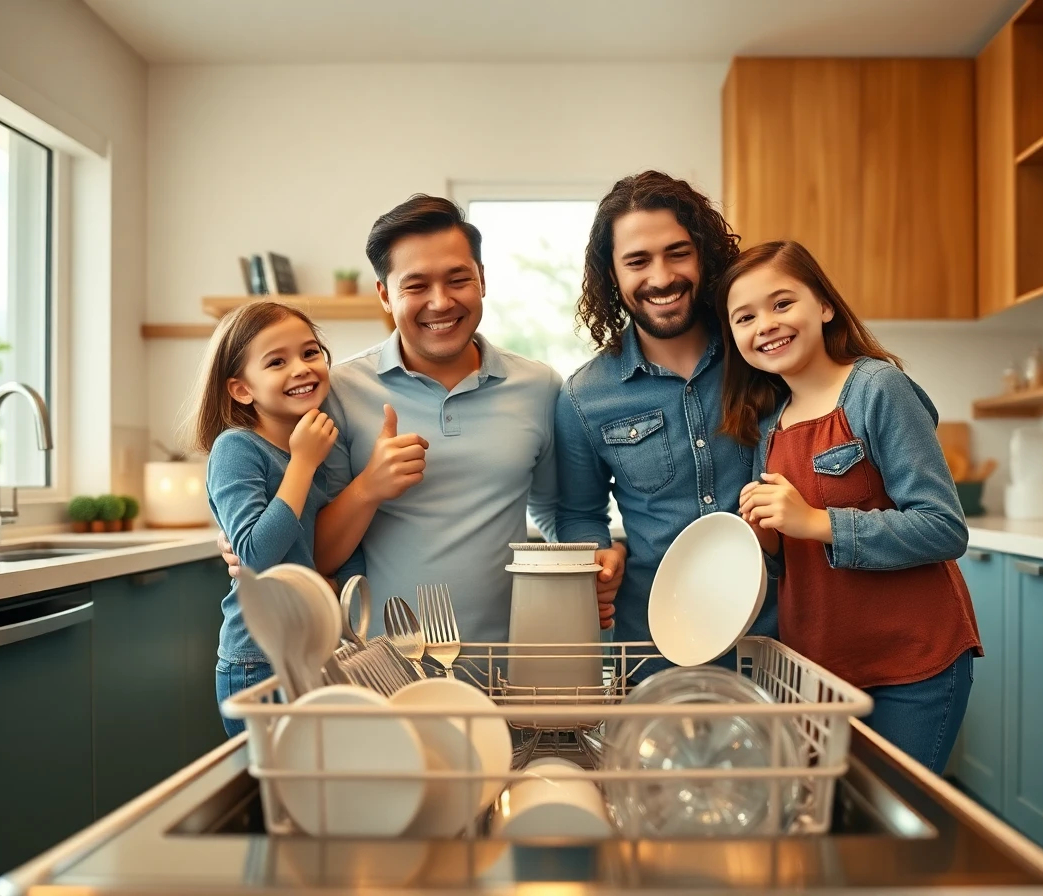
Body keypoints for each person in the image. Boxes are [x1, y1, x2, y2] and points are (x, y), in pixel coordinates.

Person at [220, 195, 626, 646]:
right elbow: (316, 552)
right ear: (384, 295)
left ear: (482, 279)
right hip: (383, 666)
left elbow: (558, 511)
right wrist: (368, 487)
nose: (440, 301)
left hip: (510, 658)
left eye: (458, 279)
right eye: (415, 286)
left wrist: (593, 558)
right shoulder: (337, 391)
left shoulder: (539, 386)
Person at [722, 240, 982, 773]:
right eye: (744, 317)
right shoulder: (769, 424)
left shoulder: (877, 389)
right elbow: (794, 558)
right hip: (817, 671)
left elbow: (944, 527)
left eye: (782, 303)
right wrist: (769, 541)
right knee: (831, 816)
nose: (765, 325)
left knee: (892, 815)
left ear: (824, 305)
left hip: (912, 662)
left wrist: (815, 522)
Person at [554, 169, 776, 670]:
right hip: (655, 651)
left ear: (705, 256)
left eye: (678, 253)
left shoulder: (762, 356)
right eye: (638, 261)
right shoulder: (583, 397)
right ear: (612, 275)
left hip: (776, 644)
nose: (661, 278)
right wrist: (597, 553)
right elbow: (578, 513)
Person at [188, 301, 340, 735]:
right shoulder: (236, 448)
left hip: (310, 650)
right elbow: (255, 556)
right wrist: (303, 464)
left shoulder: (310, 447)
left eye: (310, 352)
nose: (301, 368)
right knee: (277, 778)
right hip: (259, 660)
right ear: (241, 390)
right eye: (277, 362)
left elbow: (317, 547)